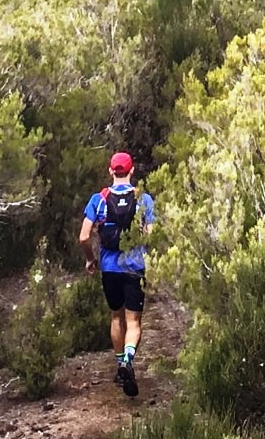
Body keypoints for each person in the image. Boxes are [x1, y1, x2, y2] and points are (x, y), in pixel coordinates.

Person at [79, 151, 156, 397]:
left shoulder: (99, 200)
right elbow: (150, 235)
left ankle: (120, 362)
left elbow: (83, 236)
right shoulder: (143, 199)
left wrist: (91, 259)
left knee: (116, 316)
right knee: (134, 321)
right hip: (134, 267)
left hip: (109, 268)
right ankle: (128, 360)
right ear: (132, 171)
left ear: (111, 171)